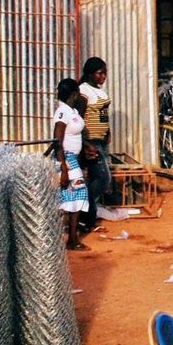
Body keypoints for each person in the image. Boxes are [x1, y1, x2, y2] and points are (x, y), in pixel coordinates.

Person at [51, 78, 90, 251]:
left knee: (74, 197)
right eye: (76, 94)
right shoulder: (62, 112)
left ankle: (71, 238)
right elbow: (57, 140)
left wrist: (86, 146)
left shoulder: (72, 110)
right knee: (78, 194)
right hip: (66, 158)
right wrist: (64, 169)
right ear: (73, 94)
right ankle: (72, 239)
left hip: (73, 157)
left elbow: (75, 134)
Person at [79, 57, 113, 228]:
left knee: (96, 178)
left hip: (101, 139)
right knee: (104, 179)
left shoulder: (98, 90)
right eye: (100, 73)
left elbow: (103, 114)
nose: (103, 76)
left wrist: (108, 131)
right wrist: (85, 143)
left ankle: (88, 218)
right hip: (91, 141)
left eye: (105, 73)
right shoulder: (83, 91)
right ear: (90, 74)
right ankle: (84, 209)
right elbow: (78, 117)